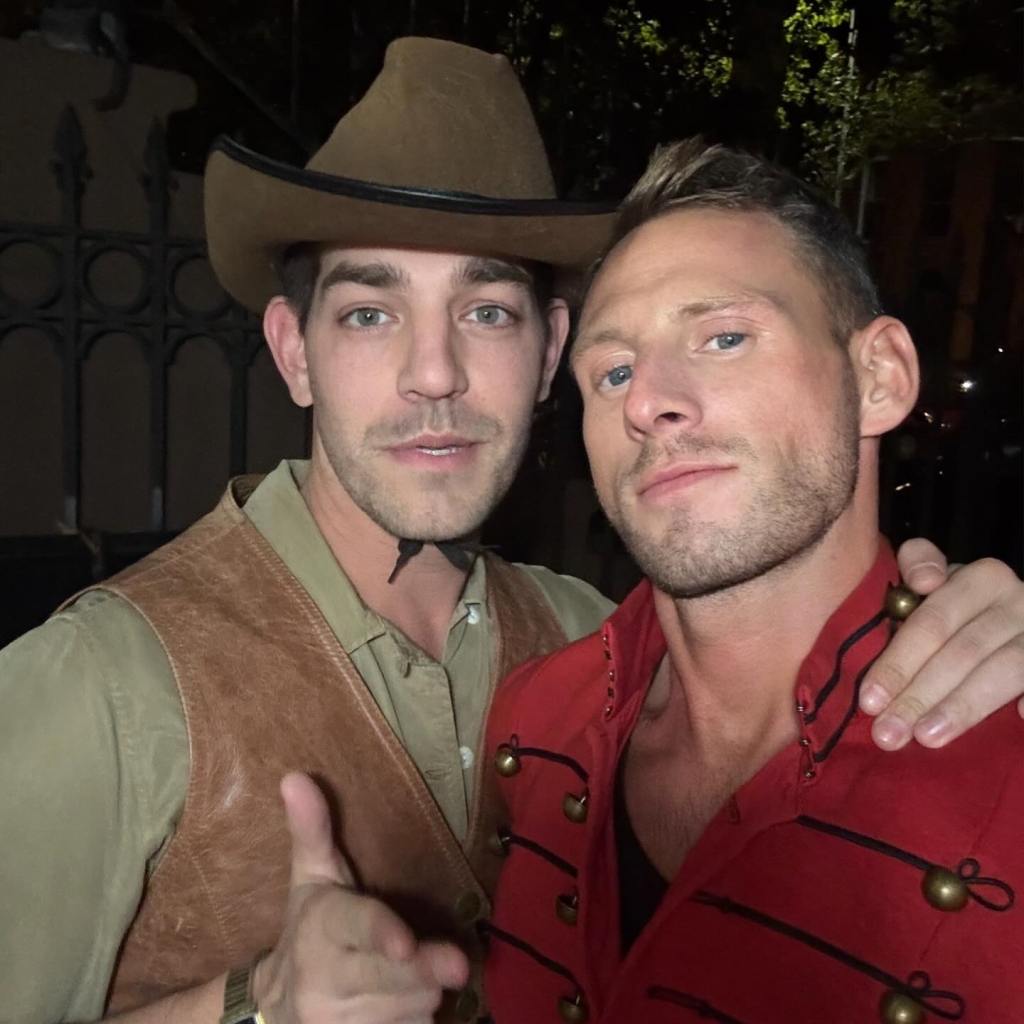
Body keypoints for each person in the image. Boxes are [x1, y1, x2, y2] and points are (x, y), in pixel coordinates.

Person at [0, 41, 1020, 1024]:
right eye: (367, 313)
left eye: (488, 311)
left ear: (549, 359)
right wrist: (254, 1008)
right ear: (292, 351)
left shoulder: (586, 640)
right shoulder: (99, 680)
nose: (433, 372)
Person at [484, 139, 1024, 1023]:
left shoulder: (1007, 759)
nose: (647, 401)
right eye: (611, 371)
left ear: (878, 377)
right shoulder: (536, 722)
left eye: (725, 337)